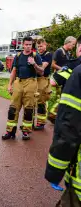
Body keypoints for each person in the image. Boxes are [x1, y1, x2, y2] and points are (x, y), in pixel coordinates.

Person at [44, 35, 81, 205]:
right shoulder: (61, 54)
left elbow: (53, 82)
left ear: (78, 48)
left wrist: (54, 172)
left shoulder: (73, 65)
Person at [2, 36, 44, 140]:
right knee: (13, 108)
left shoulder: (36, 56)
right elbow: (14, 71)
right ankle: (10, 131)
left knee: (28, 108)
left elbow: (41, 71)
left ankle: (26, 131)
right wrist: (9, 85)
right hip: (18, 82)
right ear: (23, 45)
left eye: (30, 44)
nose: (28, 46)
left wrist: (34, 64)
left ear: (32, 45)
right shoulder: (18, 56)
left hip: (31, 83)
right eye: (26, 44)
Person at [48, 36, 77, 123]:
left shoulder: (69, 53)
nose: (73, 46)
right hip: (58, 78)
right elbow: (52, 65)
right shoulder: (59, 51)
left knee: (62, 97)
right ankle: (52, 115)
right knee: (59, 97)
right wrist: (62, 68)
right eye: (73, 44)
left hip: (65, 79)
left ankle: (55, 115)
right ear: (68, 42)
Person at [34, 38, 53, 130]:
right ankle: (31, 121)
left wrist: (34, 65)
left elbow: (43, 67)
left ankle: (41, 123)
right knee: (33, 101)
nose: (40, 48)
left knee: (41, 101)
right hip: (35, 79)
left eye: (41, 46)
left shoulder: (48, 55)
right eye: (38, 46)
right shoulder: (36, 55)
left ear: (45, 45)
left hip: (43, 80)